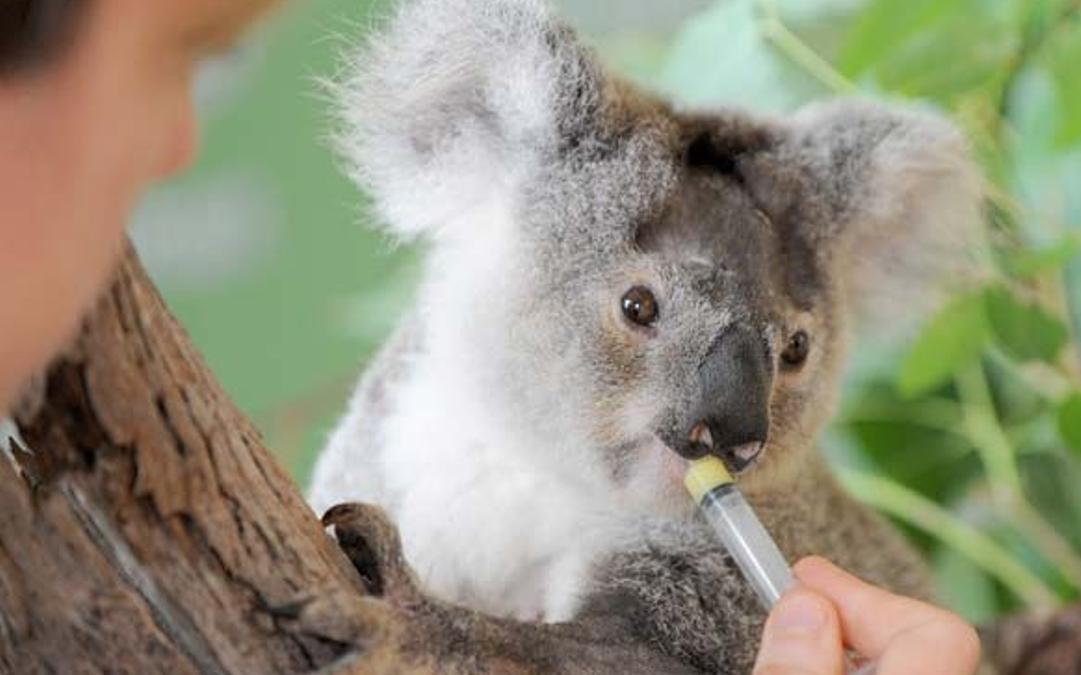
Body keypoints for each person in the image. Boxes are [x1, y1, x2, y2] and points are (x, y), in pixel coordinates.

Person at [0, 2, 981, 673]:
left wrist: (434, 645)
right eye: (639, 311)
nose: (738, 424)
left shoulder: (731, 534)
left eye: (791, 354)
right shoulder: (408, 416)